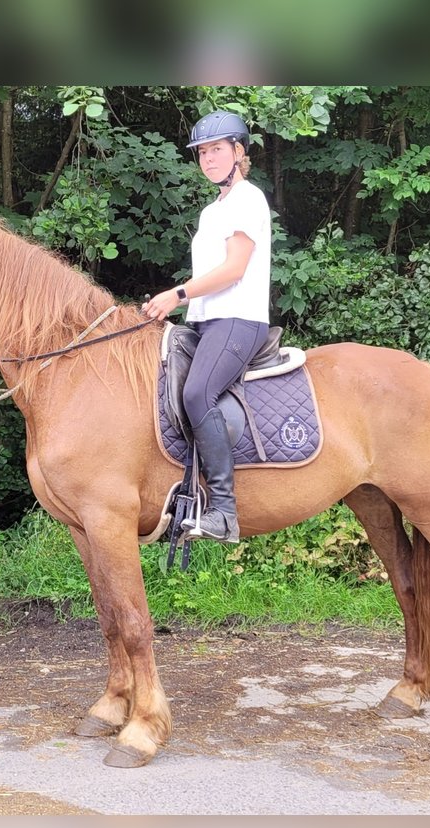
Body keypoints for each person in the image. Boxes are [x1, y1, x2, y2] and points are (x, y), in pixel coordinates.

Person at [142, 110, 271, 544]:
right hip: (206, 321)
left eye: (217, 149)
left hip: (239, 319)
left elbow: (235, 269)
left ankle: (223, 512)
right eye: (202, 152)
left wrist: (176, 296)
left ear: (238, 152)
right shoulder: (211, 210)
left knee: (197, 393)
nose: (208, 158)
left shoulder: (248, 199)